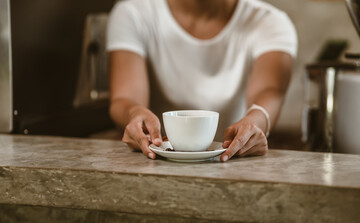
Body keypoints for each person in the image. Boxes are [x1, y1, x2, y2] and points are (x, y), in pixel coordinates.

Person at [106, 0, 297, 161]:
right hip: (155, 161)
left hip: (229, 162)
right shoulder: (132, 13)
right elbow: (125, 98)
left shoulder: (271, 22)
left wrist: (256, 122)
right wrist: (134, 115)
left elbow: (270, 91)